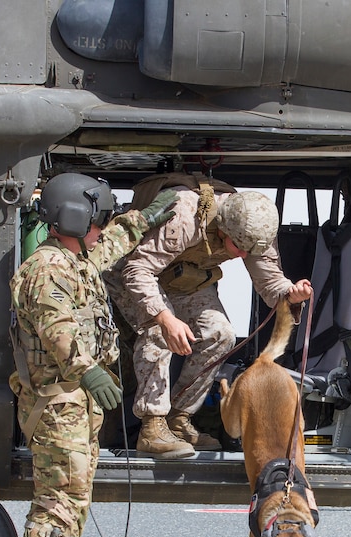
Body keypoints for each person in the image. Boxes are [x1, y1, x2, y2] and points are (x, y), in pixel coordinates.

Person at [9, 173, 177, 537]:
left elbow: (112, 244)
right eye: (98, 219)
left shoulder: (76, 260)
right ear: (77, 218)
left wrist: (145, 217)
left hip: (77, 406)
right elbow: (57, 328)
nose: (102, 228)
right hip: (57, 403)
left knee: (76, 501)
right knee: (57, 501)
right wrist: (89, 370)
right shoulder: (45, 269)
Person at [106, 173, 313, 459]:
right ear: (221, 229)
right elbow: (137, 271)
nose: (243, 256)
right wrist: (166, 318)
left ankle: (178, 419)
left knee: (221, 335)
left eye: (248, 250)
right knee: (157, 333)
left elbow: (269, 280)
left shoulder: (254, 230)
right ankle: (152, 427)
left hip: (182, 279)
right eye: (238, 248)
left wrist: (291, 293)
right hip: (134, 274)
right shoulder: (185, 215)